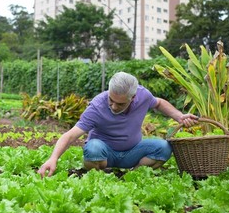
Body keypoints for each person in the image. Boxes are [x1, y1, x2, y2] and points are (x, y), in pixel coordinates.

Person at [38, 72, 198, 178]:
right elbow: (71, 135)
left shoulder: (143, 96)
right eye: (111, 100)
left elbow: (159, 103)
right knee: (93, 149)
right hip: (104, 156)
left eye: (120, 104)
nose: (113, 106)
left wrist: (179, 116)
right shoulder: (97, 106)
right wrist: (53, 158)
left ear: (133, 98)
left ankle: (129, 176)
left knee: (163, 147)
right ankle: (101, 175)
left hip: (132, 153)